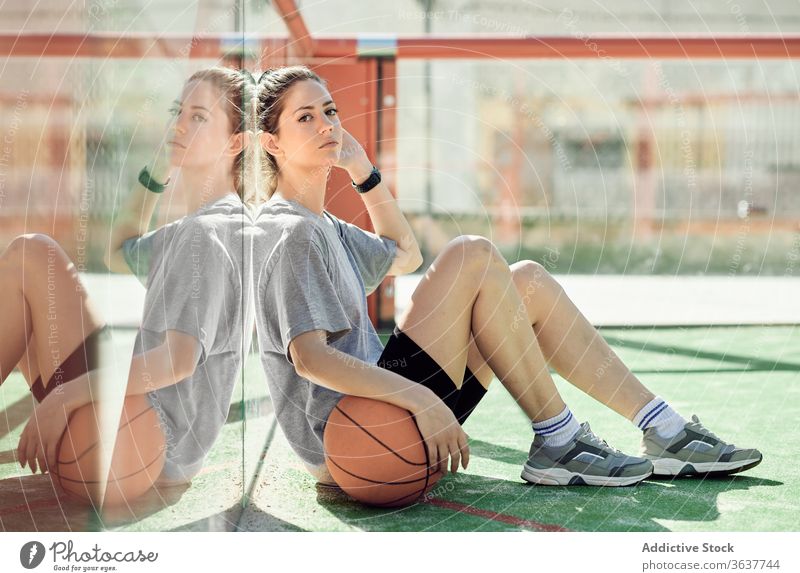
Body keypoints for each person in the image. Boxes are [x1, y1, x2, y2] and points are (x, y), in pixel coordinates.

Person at [252, 65, 762, 488]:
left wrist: (364, 173)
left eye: (330, 111)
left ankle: (662, 428)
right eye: (305, 117)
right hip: (358, 443)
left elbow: (403, 254)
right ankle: (559, 440)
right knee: (471, 253)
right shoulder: (289, 232)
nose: (326, 125)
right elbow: (311, 357)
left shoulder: (323, 226)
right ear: (271, 142)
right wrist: (422, 398)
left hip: (390, 424)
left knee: (528, 282)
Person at [3, 66, 255, 489]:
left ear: (235, 142)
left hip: (139, 447)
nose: (178, 124)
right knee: (31, 283)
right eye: (178, 111)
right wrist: (160, 169)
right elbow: (120, 250)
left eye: (198, 117)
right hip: (145, 447)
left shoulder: (204, 234)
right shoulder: (205, 226)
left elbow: (176, 360)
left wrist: (65, 396)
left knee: (33, 253)